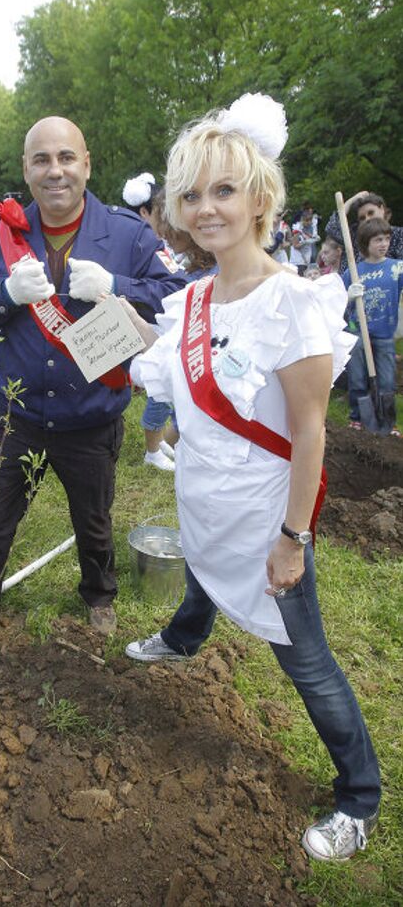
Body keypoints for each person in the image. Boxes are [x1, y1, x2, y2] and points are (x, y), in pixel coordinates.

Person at [121, 93, 380, 862]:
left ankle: (360, 796)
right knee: (201, 567)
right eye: (192, 193)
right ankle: (183, 635)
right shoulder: (194, 298)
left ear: (260, 195)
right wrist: (104, 308)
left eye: (223, 189)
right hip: (206, 505)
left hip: (269, 524)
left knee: (309, 665)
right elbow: (167, 370)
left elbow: (309, 433)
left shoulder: (295, 302)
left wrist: (294, 541)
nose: (206, 208)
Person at [0, 115, 186, 641]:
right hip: (18, 416)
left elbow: (176, 292)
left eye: (65, 158)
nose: (54, 171)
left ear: (86, 164)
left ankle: (99, 595)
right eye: (42, 160)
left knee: (94, 520)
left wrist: (117, 285)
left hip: (91, 415)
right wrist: (6, 295)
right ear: (26, 169)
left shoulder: (128, 234)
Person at [122, 173, 180, 472]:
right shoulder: (137, 244)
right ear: (145, 213)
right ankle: (153, 448)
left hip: (161, 322)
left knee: (169, 387)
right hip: (144, 324)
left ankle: (162, 445)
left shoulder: (159, 242)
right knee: (160, 385)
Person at [343, 217, 402, 435]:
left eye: (387, 239)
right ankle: (358, 417)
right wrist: (347, 295)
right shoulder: (354, 271)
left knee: (386, 380)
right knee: (357, 378)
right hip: (359, 332)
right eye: (378, 240)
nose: (384, 244)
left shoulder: (396, 268)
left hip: (385, 334)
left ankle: (388, 423)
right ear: (366, 242)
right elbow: (335, 296)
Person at [325, 191, 403, 273]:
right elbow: (332, 228)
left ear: (382, 209)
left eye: (371, 213)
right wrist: (352, 200)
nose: (367, 219)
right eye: (362, 218)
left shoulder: (399, 234)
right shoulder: (353, 235)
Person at [289, 203, 320, 273]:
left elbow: (309, 236)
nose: (309, 222)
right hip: (298, 260)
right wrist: (305, 242)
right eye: (306, 220)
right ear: (302, 219)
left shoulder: (307, 228)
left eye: (310, 220)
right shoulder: (297, 229)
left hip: (305, 259)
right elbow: (295, 245)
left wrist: (314, 238)